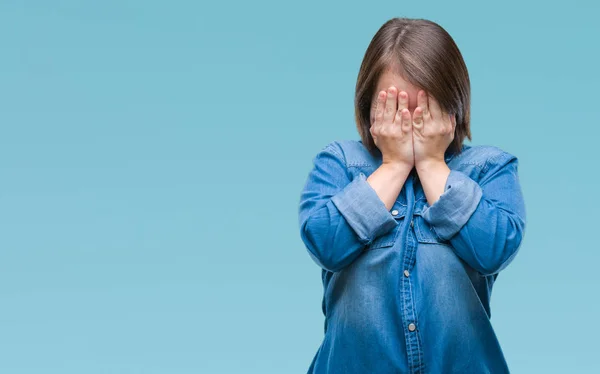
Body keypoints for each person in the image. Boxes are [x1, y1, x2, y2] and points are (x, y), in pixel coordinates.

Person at [297, 17, 527, 373]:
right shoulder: (340, 162)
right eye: (395, 109)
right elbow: (324, 242)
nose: (409, 124)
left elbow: (494, 248)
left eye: (423, 110)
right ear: (368, 105)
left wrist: (434, 163)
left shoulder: (489, 168)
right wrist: (393, 165)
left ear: (453, 107)